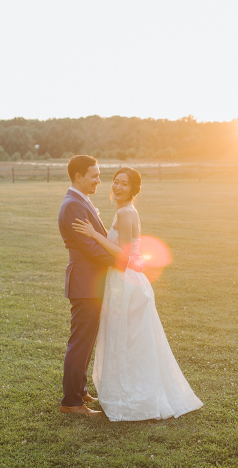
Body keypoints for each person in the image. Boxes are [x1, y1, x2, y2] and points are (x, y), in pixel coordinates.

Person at [72, 166, 203, 421]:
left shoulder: (124, 212)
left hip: (125, 282)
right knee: (131, 339)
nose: (117, 187)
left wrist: (93, 235)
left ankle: (131, 395)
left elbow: (124, 255)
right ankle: (127, 390)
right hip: (129, 281)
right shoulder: (127, 211)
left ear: (133, 189)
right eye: (115, 181)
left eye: (124, 184)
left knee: (125, 338)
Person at [57, 155, 122, 416]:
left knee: (86, 339)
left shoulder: (80, 200)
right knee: (80, 341)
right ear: (78, 177)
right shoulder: (73, 205)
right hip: (85, 282)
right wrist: (123, 262)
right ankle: (71, 403)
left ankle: (80, 390)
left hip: (90, 282)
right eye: (94, 175)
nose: (99, 180)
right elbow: (91, 248)